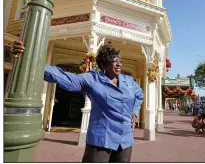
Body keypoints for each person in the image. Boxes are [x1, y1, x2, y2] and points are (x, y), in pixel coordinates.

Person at [12, 40, 144, 162]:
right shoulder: (93, 79)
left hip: (125, 141)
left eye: (120, 60)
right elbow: (63, 77)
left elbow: (139, 95)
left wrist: (134, 112)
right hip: (101, 141)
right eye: (114, 61)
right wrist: (29, 59)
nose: (119, 64)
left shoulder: (128, 81)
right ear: (104, 64)